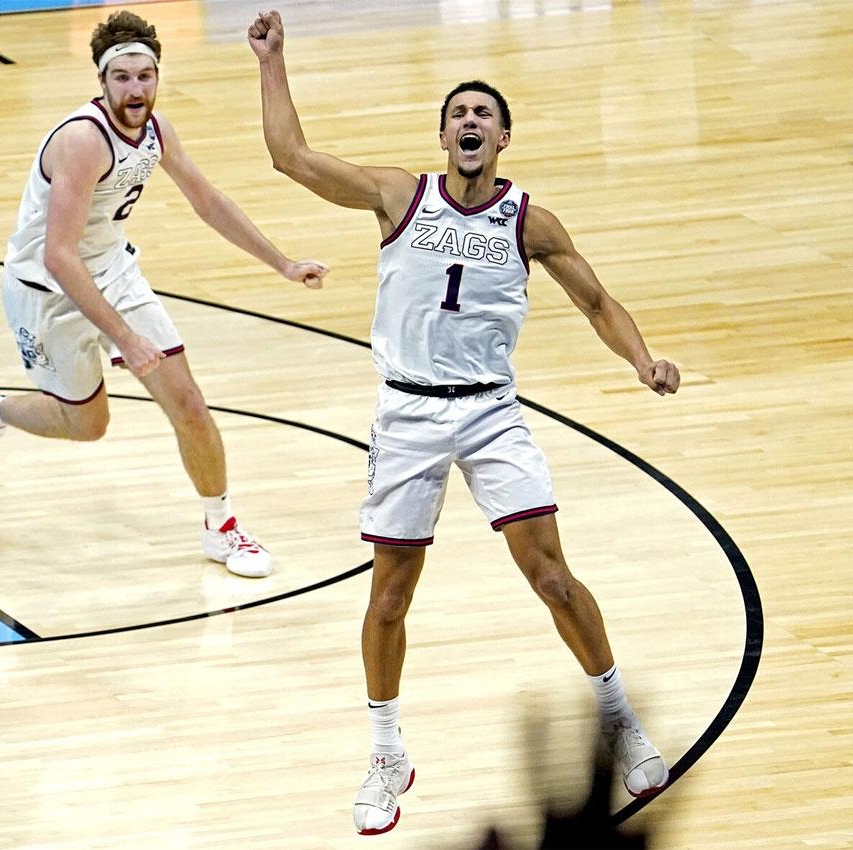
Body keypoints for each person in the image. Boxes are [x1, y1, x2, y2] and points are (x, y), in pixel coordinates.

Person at [248, 10, 679, 835]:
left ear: (504, 137)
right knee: (388, 600)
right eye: (459, 113)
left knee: (552, 578)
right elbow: (290, 158)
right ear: (442, 135)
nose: (470, 121)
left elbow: (596, 302)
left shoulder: (529, 221)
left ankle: (619, 719)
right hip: (407, 411)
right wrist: (273, 61)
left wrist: (642, 360)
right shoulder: (398, 195)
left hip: (490, 411)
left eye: (484, 113)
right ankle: (385, 753)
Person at [0, 11, 327, 579]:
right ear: (102, 82)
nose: (135, 89)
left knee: (190, 406)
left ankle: (221, 527)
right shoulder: (83, 140)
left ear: (157, 76)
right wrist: (126, 339)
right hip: (46, 292)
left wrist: (282, 262)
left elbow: (207, 200)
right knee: (88, 425)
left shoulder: (157, 132)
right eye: (122, 78)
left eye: (144, 77)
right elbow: (58, 256)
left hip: (113, 276)